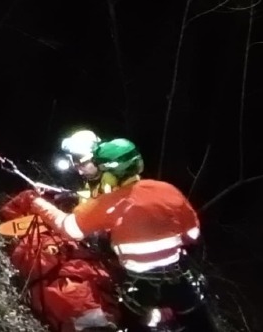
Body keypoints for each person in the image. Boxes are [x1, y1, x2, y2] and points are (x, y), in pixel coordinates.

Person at [32, 138, 211, 330]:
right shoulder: (168, 190)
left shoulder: (109, 203)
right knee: (199, 323)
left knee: (132, 323)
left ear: (110, 173)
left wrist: (38, 203)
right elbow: (192, 234)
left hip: (140, 285)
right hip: (180, 278)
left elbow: (70, 228)